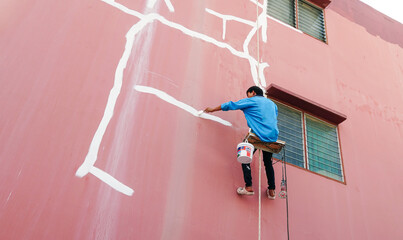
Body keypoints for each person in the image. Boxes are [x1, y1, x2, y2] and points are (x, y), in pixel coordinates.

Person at [204, 86, 279, 199]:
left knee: (244, 155)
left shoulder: (252, 100)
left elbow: (231, 105)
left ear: (252, 92)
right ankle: (272, 190)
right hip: (272, 137)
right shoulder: (273, 104)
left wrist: (212, 109)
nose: (247, 97)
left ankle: (248, 187)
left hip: (258, 134)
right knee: (268, 162)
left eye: (248, 94)